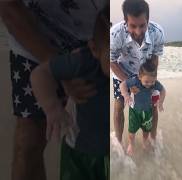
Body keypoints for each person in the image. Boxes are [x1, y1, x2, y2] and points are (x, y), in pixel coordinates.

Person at [0, 1, 106, 179]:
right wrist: (52, 104)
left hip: (102, 36)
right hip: (35, 30)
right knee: (28, 142)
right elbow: (8, 7)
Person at [30, 10, 109, 180]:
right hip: (79, 153)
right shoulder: (83, 61)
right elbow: (40, 74)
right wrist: (52, 108)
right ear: (95, 49)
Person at [110, 0, 165, 143]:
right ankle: (119, 143)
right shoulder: (115, 34)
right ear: (125, 22)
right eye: (133, 26)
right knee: (118, 106)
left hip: (147, 74)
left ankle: (152, 141)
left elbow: (154, 59)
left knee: (153, 106)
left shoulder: (157, 32)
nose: (138, 32)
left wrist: (150, 81)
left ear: (148, 20)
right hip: (122, 72)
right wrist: (128, 84)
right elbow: (111, 61)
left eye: (142, 25)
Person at [120, 60, 166, 156]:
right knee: (132, 132)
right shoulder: (135, 81)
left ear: (155, 78)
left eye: (152, 81)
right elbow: (123, 84)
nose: (149, 84)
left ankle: (145, 141)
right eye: (146, 81)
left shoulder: (155, 83)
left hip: (147, 111)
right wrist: (126, 95)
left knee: (146, 130)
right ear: (140, 77)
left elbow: (163, 90)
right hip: (135, 112)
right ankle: (131, 144)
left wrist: (160, 102)